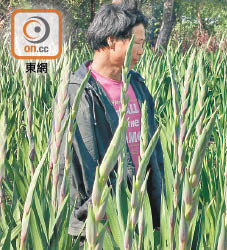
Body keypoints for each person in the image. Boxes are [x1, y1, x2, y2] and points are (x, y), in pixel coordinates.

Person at [54, 2, 165, 247]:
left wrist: (159, 205)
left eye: (143, 43)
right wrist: (90, 216)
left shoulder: (137, 84)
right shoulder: (78, 93)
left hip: (141, 212)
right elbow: (73, 166)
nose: (142, 50)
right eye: (137, 43)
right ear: (112, 40)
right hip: (102, 221)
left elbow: (153, 153)